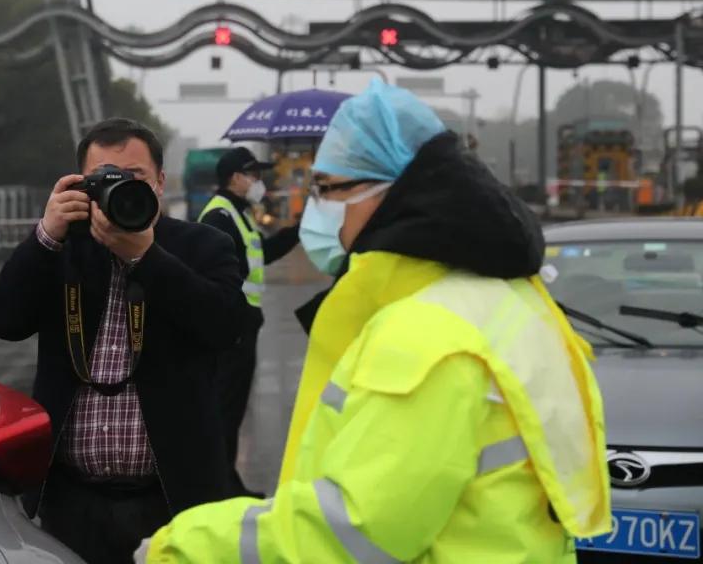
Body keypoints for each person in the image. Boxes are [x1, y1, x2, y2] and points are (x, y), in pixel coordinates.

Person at [138, 80, 611, 563]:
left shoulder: (427, 334)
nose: (315, 206)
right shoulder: (509, 298)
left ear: (388, 191)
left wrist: (180, 545)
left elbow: (353, 531)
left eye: (327, 188)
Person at [0, 117, 245, 564]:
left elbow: (224, 326)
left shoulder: (203, 245)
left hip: (172, 493)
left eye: (135, 177)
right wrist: (44, 236)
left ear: (161, 182)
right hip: (70, 497)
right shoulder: (62, 248)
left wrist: (146, 256)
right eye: (105, 178)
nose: (120, 189)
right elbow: (3, 320)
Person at [198, 146, 299, 496]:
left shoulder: (240, 214)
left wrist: (298, 231)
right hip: (232, 325)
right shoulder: (219, 216)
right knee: (226, 404)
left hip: (245, 322)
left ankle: (227, 478)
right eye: (253, 174)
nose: (259, 181)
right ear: (234, 178)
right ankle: (221, 484)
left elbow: (261, 254)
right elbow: (221, 272)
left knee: (235, 404)